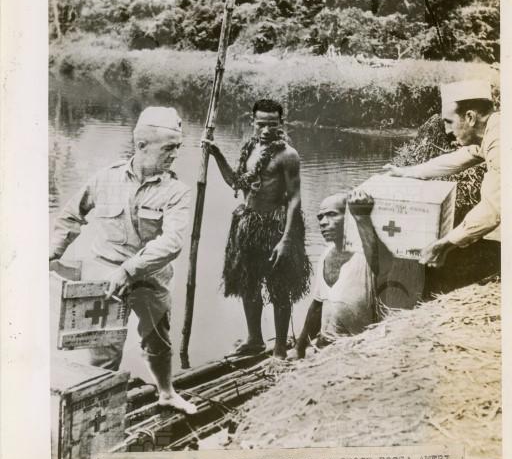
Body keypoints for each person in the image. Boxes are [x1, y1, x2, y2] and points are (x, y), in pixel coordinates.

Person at [49, 107, 197, 414]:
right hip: (104, 279)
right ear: (142, 145)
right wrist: (51, 254)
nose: (175, 155)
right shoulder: (106, 178)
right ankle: (98, 411)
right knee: (103, 350)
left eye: (178, 147)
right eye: (168, 148)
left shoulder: (176, 192)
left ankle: (166, 393)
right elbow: (70, 216)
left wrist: (129, 271)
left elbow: (172, 242)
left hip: (150, 278)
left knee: (158, 343)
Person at [204, 98, 311, 363]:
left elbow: (295, 198)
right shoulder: (250, 148)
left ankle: (280, 349)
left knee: (279, 287)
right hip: (249, 225)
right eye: (261, 124)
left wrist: (286, 239)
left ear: (281, 123)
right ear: (252, 121)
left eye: (272, 124)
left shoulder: (288, 155)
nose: (266, 130)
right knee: (248, 283)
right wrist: (216, 154)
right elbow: (236, 182)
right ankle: (254, 340)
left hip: (276, 226)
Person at [384, 79, 500, 268]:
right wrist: (407, 172)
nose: (446, 130)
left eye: (449, 122)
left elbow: (492, 210)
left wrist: (444, 243)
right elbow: (459, 158)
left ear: (470, 117)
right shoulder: (492, 132)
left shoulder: (500, 142)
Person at [295, 190, 392, 358]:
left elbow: (382, 264)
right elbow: (318, 305)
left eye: (332, 215)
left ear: (349, 216)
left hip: (357, 346)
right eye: (320, 217)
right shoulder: (326, 254)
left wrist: (362, 217)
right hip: (325, 345)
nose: (323, 222)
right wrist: (300, 347)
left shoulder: (366, 254)